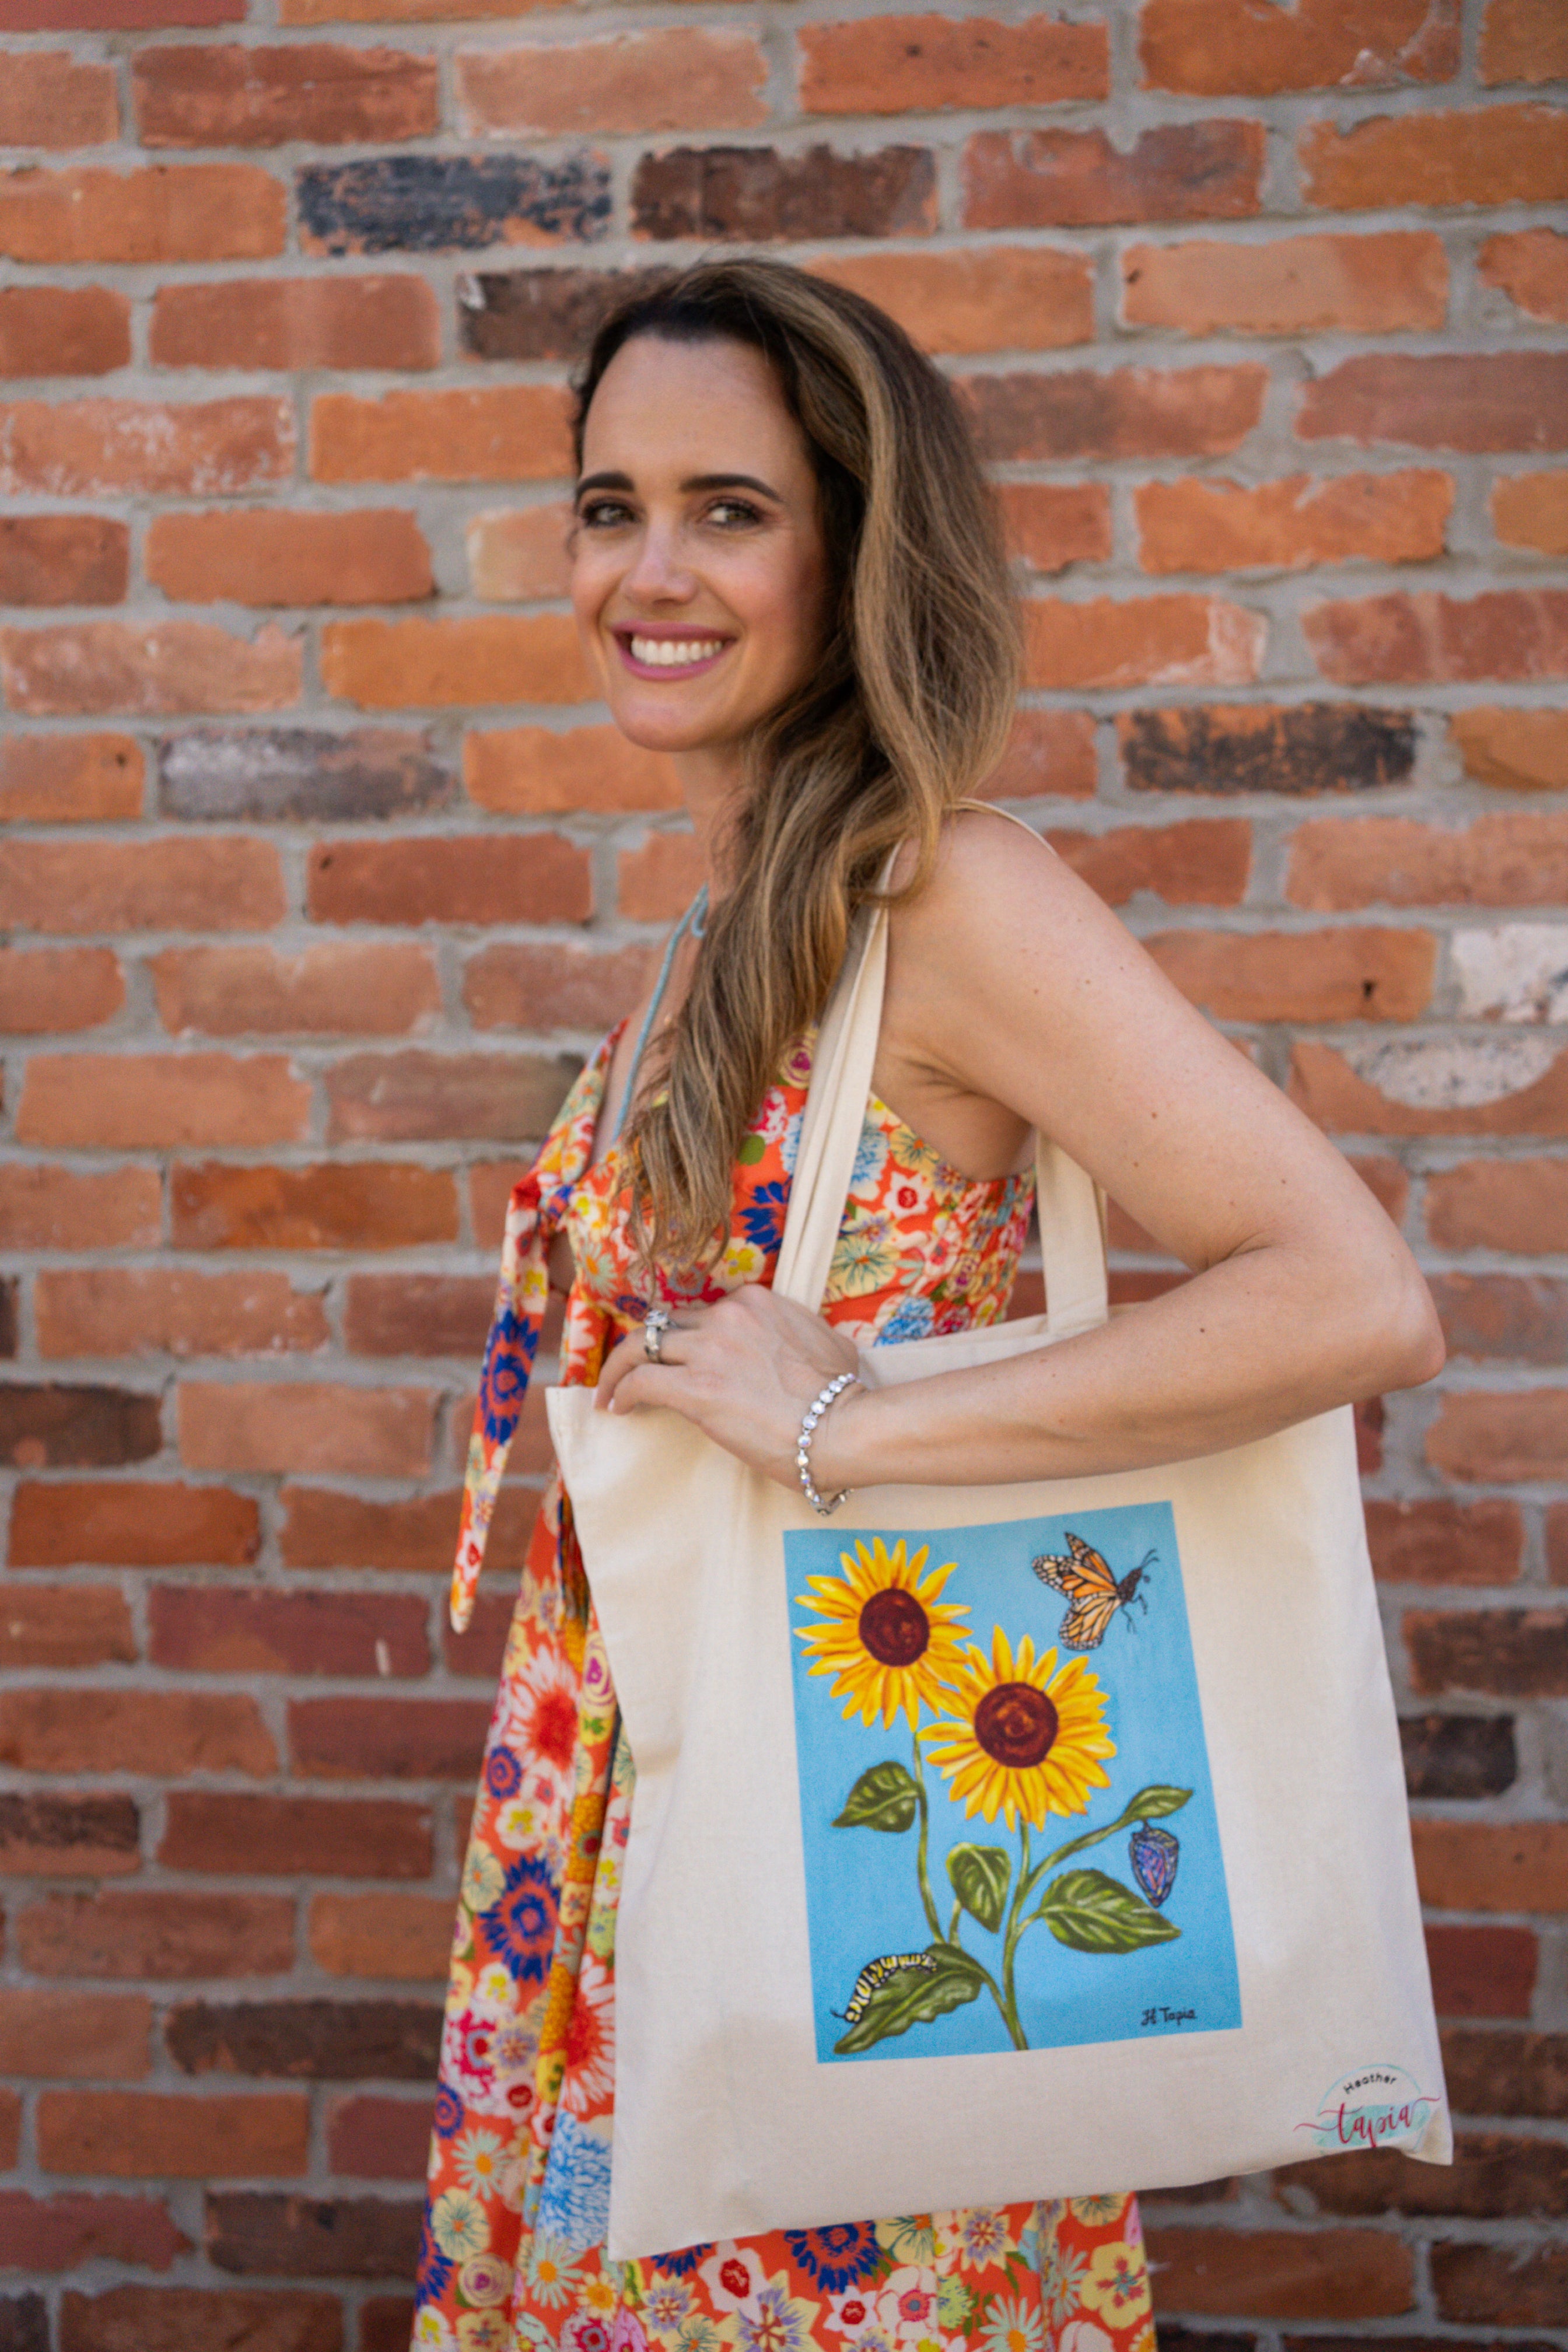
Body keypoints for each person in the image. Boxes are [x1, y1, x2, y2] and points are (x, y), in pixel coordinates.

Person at [414, 257, 1443, 2352]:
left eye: (728, 508)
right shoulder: (723, 930)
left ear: (857, 550)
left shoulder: (944, 893)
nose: (647, 570)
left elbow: (1353, 1295)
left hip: (847, 1873)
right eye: (610, 507)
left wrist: (850, 1430)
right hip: (639, 1850)